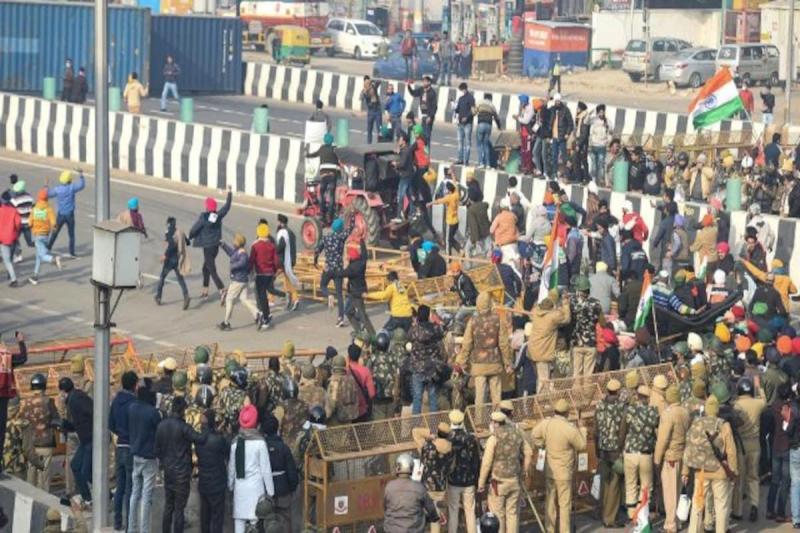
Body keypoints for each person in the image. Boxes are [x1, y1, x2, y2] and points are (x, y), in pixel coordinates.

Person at [682, 395, 738, 533]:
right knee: (721, 506)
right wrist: (734, 471)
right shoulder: (724, 425)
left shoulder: (696, 423)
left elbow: (688, 448)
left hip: (701, 471)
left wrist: (685, 471)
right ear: (717, 410)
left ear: (706, 409)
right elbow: (731, 451)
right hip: (720, 471)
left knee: (697, 504)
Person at [531, 399, 587, 533]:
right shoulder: (570, 428)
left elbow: (534, 435)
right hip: (564, 472)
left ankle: (549, 529)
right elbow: (582, 445)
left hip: (550, 470)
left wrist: (542, 445)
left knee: (550, 503)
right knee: (564, 505)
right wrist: (583, 429)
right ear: (567, 413)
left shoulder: (547, 423)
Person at [156, 396, 206, 533]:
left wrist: (164, 463)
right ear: (183, 410)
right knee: (179, 509)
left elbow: (157, 450)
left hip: (168, 471)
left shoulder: (161, 426)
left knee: (169, 506)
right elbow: (200, 439)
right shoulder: (184, 427)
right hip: (182, 473)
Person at [456, 292, 511, 416]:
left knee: (480, 395)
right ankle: (497, 419)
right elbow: (504, 344)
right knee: (496, 395)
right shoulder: (498, 320)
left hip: (478, 364)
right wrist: (508, 362)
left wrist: (463, 361)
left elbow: (467, 343)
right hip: (494, 362)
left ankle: (479, 422)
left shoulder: (473, 321)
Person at [479, 411, 533, 533]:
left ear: (495, 423)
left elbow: (486, 463)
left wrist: (481, 482)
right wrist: (524, 471)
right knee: (512, 514)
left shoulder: (494, 438)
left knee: (498, 515)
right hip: (514, 480)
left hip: (498, 483)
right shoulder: (517, 434)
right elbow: (528, 452)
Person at [228, 404, 274, 533]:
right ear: (255, 422)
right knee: (256, 524)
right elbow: (266, 469)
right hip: (256, 490)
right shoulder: (260, 442)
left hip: (240, 489)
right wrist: (270, 492)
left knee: (239, 522)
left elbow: (231, 468)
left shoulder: (235, 442)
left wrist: (230, 485)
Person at [654, 385, 690, 533]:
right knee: (677, 490)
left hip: (670, 457)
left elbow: (662, 439)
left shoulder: (668, 414)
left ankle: (670, 525)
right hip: (682, 455)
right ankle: (677, 522)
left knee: (669, 493)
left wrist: (657, 459)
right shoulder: (685, 412)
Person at [127, 381, 161, 533]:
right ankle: (144, 530)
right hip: (149, 457)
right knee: (146, 496)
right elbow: (159, 428)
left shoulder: (132, 408)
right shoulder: (152, 412)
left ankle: (131, 528)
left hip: (135, 455)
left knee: (135, 493)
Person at [622, 385, 660, 520]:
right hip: (645, 454)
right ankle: (642, 514)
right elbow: (657, 428)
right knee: (645, 487)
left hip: (630, 452)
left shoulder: (629, 410)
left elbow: (623, 430)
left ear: (637, 396)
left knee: (630, 484)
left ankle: (631, 514)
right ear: (648, 398)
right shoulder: (653, 412)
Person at [189, 188, 233, 301]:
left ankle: (222, 289)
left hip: (207, 247)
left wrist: (190, 236)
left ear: (207, 207)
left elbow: (194, 229)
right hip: (216, 247)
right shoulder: (218, 216)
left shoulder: (203, 217)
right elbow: (227, 206)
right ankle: (205, 291)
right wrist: (229, 192)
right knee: (205, 268)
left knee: (211, 269)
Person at [733, 377, 766, 522]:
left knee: (739, 478)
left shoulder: (736, 405)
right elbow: (765, 400)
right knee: (753, 477)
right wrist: (759, 386)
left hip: (741, 445)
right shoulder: (758, 404)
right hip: (755, 445)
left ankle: (738, 511)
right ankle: (754, 505)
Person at [109, 371, 137, 530]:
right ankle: (129, 524)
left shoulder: (116, 401)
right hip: (131, 447)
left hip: (119, 447)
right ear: (134, 385)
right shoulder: (134, 402)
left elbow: (110, 424)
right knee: (130, 489)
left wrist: (120, 433)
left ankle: (117, 522)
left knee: (119, 488)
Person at [595, 379, 626, 527]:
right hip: (615, 451)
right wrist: (621, 450)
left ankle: (601, 513)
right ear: (618, 391)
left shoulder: (599, 405)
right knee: (614, 484)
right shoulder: (621, 407)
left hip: (602, 449)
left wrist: (597, 449)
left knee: (604, 482)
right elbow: (622, 432)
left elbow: (595, 430)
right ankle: (610, 518)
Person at [59, 377, 93, 508]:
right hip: (86, 439)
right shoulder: (75, 397)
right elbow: (78, 422)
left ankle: (89, 498)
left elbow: (89, 414)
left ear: (63, 391)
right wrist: (66, 425)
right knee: (76, 466)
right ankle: (92, 496)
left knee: (83, 470)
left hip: (90, 438)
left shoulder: (75, 399)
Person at [384, 453, 440, 533]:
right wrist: (434, 518)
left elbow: (385, 508)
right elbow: (431, 509)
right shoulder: (419, 487)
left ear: (398, 467)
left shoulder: (389, 487)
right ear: (412, 468)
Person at [528, 290, 571, 392]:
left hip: (533, 349)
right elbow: (566, 319)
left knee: (541, 377)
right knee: (544, 379)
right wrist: (565, 305)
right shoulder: (552, 317)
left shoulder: (535, 312)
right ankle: (542, 402)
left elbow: (534, 309)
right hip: (543, 351)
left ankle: (543, 399)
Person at [263, 413, 298, 531]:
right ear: (277, 428)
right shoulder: (284, 447)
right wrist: (292, 487)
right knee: (286, 520)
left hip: (266, 493)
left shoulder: (261, 447)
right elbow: (292, 471)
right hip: (284, 490)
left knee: (267, 522)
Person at [23, 373, 58, 491]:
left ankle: (29, 499)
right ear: (44, 385)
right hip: (45, 443)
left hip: (30, 444)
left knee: (31, 473)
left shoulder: (26, 403)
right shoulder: (49, 402)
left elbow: (24, 422)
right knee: (44, 476)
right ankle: (44, 503)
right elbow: (56, 420)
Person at [195, 408, 227, 533]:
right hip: (217, 483)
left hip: (204, 482)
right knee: (217, 518)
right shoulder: (219, 439)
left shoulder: (198, 440)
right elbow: (226, 450)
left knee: (205, 517)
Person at [408, 305, 445, 415]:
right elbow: (442, 333)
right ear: (428, 315)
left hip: (417, 368)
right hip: (432, 369)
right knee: (432, 398)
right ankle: (434, 427)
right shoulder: (435, 329)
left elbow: (408, 337)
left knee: (417, 398)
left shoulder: (414, 330)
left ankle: (415, 428)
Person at [314, 218, 350, 327]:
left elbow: (317, 251)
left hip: (328, 268)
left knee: (323, 285)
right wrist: (352, 215)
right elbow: (351, 228)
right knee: (339, 294)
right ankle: (341, 318)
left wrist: (315, 261)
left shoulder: (325, 238)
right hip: (339, 269)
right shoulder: (341, 237)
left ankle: (329, 295)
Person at [218, 233, 258, 331]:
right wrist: (223, 245)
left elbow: (243, 262)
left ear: (238, 242)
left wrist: (233, 266)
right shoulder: (238, 251)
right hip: (242, 280)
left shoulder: (242, 253)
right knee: (244, 299)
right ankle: (257, 314)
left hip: (238, 280)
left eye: (234, 240)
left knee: (229, 299)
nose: (233, 242)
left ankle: (226, 322)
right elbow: (231, 253)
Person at [336, 240, 375, 336]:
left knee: (361, 314)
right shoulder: (362, 262)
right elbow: (364, 253)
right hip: (357, 291)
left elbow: (341, 274)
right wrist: (362, 241)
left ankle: (371, 334)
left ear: (351, 258)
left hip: (356, 293)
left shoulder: (352, 268)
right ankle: (360, 331)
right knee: (348, 311)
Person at [569, 275, 604, 378]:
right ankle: (587, 394)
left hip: (577, 342)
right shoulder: (596, 303)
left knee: (576, 375)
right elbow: (603, 323)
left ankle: (576, 394)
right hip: (591, 343)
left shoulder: (572, 303)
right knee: (588, 375)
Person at [46, 169, 86, 258]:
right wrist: (81, 175)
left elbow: (48, 194)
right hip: (70, 215)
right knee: (71, 234)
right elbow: (82, 185)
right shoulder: (72, 187)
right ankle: (72, 252)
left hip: (60, 214)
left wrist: (46, 185)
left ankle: (48, 247)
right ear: (69, 180)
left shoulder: (58, 189)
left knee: (55, 232)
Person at [249, 221, 281, 330]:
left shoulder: (255, 245)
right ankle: (266, 313)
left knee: (261, 295)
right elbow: (276, 261)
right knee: (266, 294)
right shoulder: (271, 246)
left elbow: (252, 260)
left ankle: (265, 316)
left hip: (260, 273)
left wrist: (250, 271)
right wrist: (275, 270)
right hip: (270, 273)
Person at [155, 216, 190, 310]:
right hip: (178, 259)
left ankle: (158, 296)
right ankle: (186, 296)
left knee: (162, 277)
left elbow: (171, 245)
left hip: (170, 259)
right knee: (180, 279)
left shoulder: (169, 232)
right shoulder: (180, 232)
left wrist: (165, 255)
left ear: (168, 224)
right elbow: (188, 242)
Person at [306, 133, 339, 224]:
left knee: (321, 194)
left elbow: (314, 154)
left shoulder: (322, 148)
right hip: (333, 175)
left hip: (324, 175)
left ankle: (323, 213)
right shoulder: (335, 149)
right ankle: (330, 215)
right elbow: (339, 160)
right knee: (332, 195)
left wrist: (307, 154)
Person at [324, 355, 360, 425]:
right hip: (349, 417)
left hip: (338, 420)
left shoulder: (334, 382)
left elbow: (332, 404)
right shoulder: (351, 379)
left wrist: (326, 417)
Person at [431, 181, 461, 254]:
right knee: (451, 239)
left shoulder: (449, 197)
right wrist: (453, 174)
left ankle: (448, 259)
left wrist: (429, 204)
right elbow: (455, 184)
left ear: (449, 190)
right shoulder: (457, 194)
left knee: (448, 240)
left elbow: (438, 201)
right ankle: (460, 250)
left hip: (450, 222)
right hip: (456, 220)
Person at [549, 93, 574, 179]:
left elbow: (571, 124)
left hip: (562, 137)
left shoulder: (565, 110)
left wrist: (567, 133)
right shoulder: (552, 110)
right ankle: (554, 173)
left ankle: (566, 174)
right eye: (556, 101)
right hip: (554, 137)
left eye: (558, 101)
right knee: (554, 156)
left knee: (564, 157)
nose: (557, 103)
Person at [407, 75, 438, 144]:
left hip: (429, 116)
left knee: (427, 136)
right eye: (423, 81)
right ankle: (423, 153)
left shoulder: (432, 93)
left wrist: (430, 116)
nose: (423, 83)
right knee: (423, 136)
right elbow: (414, 94)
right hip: (423, 115)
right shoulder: (421, 90)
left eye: (425, 82)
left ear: (429, 82)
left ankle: (427, 154)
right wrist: (409, 86)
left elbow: (434, 106)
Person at [9, 179, 33, 263]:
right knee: (29, 242)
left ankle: (18, 255)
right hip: (28, 222)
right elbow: (31, 208)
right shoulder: (30, 197)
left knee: (14, 240)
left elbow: (11, 211)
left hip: (18, 224)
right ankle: (41, 247)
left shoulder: (14, 200)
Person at [476, 93, 502, 169]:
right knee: (486, 144)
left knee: (479, 144)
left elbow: (474, 111)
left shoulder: (480, 102)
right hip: (489, 126)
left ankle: (481, 163)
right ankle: (487, 164)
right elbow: (496, 117)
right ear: (490, 98)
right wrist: (499, 126)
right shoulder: (492, 105)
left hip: (481, 124)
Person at [0, 193, 21, 286]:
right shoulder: (14, 210)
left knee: (7, 260)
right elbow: (18, 223)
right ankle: (12, 277)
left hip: (2, 238)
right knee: (9, 259)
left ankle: (14, 279)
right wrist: (15, 231)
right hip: (12, 237)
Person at [589, 104, 613, 185]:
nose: (601, 114)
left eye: (603, 112)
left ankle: (600, 181)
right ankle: (593, 180)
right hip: (593, 145)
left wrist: (608, 141)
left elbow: (610, 132)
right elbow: (586, 121)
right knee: (594, 165)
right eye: (600, 112)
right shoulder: (593, 120)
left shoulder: (607, 122)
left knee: (601, 164)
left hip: (602, 146)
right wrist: (589, 113)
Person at [454, 82, 475, 165]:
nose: (461, 92)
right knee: (460, 142)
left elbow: (473, 110)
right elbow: (457, 110)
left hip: (468, 124)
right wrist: (454, 106)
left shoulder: (471, 98)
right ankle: (460, 159)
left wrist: (467, 117)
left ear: (465, 89)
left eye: (461, 90)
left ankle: (466, 160)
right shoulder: (460, 98)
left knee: (467, 142)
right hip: (460, 123)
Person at [361, 76, 382, 144]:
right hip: (371, 111)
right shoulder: (364, 90)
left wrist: (372, 80)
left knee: (379, 129)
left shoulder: (374, 87)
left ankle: (380, 143)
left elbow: (379, 81)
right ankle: (369, 144)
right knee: (369, 129)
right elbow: (361, 98)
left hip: (377, 110)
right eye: (366, 82)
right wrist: (366, 91)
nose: (367, 83)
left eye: (368, 81)